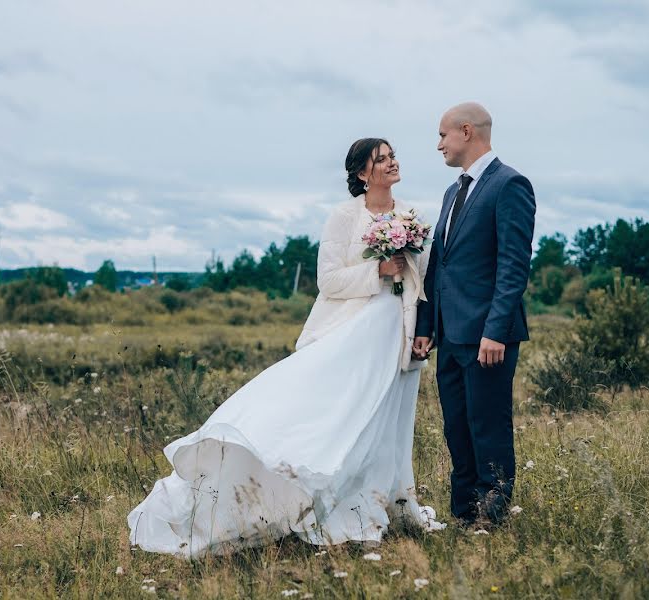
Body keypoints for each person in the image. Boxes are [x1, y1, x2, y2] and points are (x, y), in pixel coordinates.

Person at [128, 138, 444, 558]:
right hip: (350, 333)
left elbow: (421, 284)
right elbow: (328, 281)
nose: (391, 163)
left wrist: (423, 328)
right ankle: (314, 495)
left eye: (392, 156)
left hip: (395, 335)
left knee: (387, 422)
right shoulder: (342, 218)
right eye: (381, 159)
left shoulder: (411, 217)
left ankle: (378, 502)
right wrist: (378, 270)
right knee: (339, 417)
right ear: (362, 173)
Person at [413, 103, 536, 527]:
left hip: (488, 336)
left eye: (443, 135)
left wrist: (495, 331)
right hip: (450, 335)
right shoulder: (453, 191)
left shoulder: (510, 184)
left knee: (488, 425)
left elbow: (513, 264)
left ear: (466, 131)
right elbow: (439, 265)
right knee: (457, 428)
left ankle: (492, 514)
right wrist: (427, 327)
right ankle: (463, 512)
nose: (439, 144)